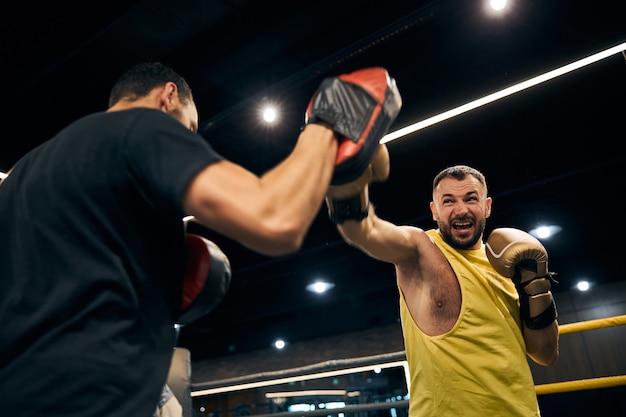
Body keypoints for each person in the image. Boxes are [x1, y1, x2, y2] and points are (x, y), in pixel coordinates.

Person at [0, 62, 401, 416]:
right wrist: (329, 121)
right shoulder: (140, 126)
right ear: (168, 97)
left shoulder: (23, 174)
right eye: (190, 129)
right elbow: (275, 217)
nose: (189, 141)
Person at [325, 150, 559, 416]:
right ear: (434, 211)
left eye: (471, 199)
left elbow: (546, 354)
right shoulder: (419, 249)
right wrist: (344, 174)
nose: (460, 210)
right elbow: (365, 231)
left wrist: (536, 284)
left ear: (487, 206)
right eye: (448, 201)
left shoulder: (507, 264)